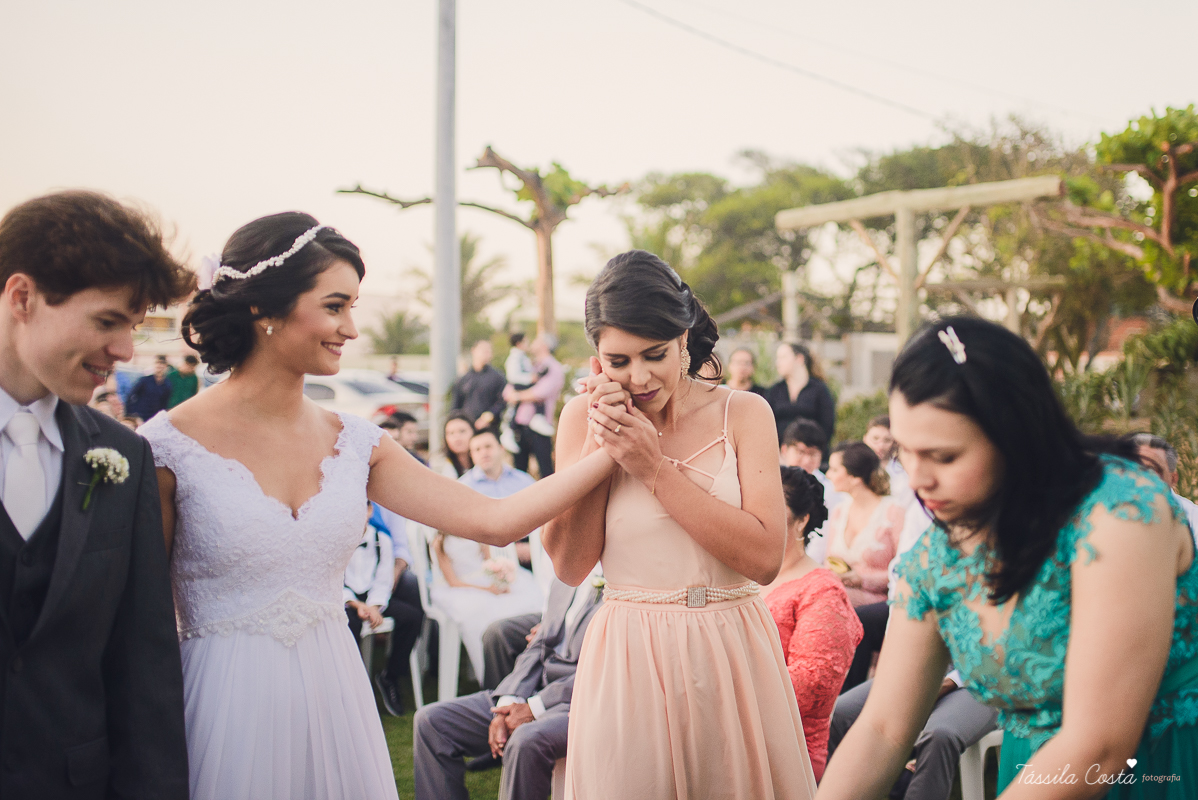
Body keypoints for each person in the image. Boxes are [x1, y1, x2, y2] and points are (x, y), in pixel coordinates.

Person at [140, 212, 618, 800]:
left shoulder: (358, 444)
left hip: (333, 694)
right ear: (263, 309)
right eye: (336, 306)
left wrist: (610, 447)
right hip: (219, 702)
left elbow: (496, 521)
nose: (352, 328)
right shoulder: (166, 449)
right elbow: (142, 623)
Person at [818, 316, 1198, 799]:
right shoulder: (939, 557)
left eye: (945, 456)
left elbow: (1099, 744)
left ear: (1015, 435)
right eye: (906, 454)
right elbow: (884, 730)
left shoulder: (1122, 513)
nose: (917, 480)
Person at [546, 249, 817, 799]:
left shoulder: (744, 413)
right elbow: (571, 565)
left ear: (685, 340)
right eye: (619, 361)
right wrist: (603, 443)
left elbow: (765, 558)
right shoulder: (581, 419)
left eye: (655, 355)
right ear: (596, 360)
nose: (640, 377)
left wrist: (653, 469)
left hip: (730, 648)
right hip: (628, 655)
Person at [0, 190, 193, 798]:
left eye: (131, 328)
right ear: (22, 297)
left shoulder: (126, 458)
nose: (125, 351)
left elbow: (145, 671)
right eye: (107, 321)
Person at [413, 572, 604, 800]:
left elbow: (605, 669)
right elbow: (539, 644)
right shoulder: (564, 579)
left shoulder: (621, 590)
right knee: (431, 722)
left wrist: (533, 708)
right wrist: (511, 700)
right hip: (538, 688)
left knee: (526, 740)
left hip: (581, 700)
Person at [763, 467, 862, 781]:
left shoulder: (822, 591)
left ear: (802, 521)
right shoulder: (740, 574)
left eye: (769, 508)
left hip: (786, 750)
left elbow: (808, 690)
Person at [429, 429, 543, 674]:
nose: (484, 453)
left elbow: (545, 517)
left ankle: (535, 663)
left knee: (531, 594)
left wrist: (503, 570)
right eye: (477, 449)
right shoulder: (465, 488)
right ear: (471, 455)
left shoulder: (523, 480)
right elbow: (481, 538)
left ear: (500, 449)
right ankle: (498, 668)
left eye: (488, 447)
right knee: (492, 607)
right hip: (486, 566)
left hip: (529, 552)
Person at [828, 667, 998, 800]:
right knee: (840, 713)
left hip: (987, 677)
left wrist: (949, 681)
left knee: (941, 735)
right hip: (927, 663)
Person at [823, 442, 904, 608]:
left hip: (880, 605)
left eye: (835, 469)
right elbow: (828, 561)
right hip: (837, 598)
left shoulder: (893, 511)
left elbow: (905, 571)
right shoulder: (839, 511)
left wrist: (863, 579)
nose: (828, 474)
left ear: (855, 478)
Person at [505, 335, 564, 478]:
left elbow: (540, 392)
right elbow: (510, 386)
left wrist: (517, 396)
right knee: (519, 471)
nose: (531, 342)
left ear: (544, 346)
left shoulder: (553, 367)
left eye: (536, 340)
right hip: (520, 424)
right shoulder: (530, 365)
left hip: (540, 428)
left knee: (546, 471)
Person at [765, 341, 835, 453]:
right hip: (779, 455)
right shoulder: (775, 391)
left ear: (799, 359)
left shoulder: (820, 390)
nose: (778, 363)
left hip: (812, 453)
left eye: (783, 357)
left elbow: (827, 426)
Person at [1133, 432, 1198, 542]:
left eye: (1152, 470)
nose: (1141, 477)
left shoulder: (1193, 520)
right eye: (1133, 467)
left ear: (1173, 478)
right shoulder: (1104, 513)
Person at [344, 499, 393, 641]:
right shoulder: (338, 540)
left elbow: (383, 581)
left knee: (411, 617)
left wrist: (374, 606)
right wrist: (356, 604)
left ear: (370, 510)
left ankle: (398, 663)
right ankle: (352, 663)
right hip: (346, 599)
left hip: (372, 595)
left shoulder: (382, 540)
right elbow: (333, 583)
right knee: (351, 623)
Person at [451, 339, 506, 432]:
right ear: (473, 351)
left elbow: (502, 402)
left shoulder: (498, 377)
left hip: (489, 428)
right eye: (483, 350)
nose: (486, 353)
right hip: (466, 427)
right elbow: (456, 405)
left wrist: (489, 416)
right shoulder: (463, 379)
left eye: (489, 351)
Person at [864, 414, 914, 507]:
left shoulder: (903, 475)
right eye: (875, 439)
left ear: (895, 443)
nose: (880, 446)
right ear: (865, 439)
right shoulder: (854, 468)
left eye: (887, 440)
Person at [126, 354, 173, 421]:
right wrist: (131, 411)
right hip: (141, 413)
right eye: (158, 366)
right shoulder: (145, 380)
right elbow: (132, 394)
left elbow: (165, 402)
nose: (159, 368)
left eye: (162, 366)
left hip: (155, 415)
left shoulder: (167, 384)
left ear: (166, 367)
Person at [435, 411, 474, 478]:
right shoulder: (438, 465)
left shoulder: (484, 463)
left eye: (462, 431)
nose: (457, 437)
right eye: (451, 433)